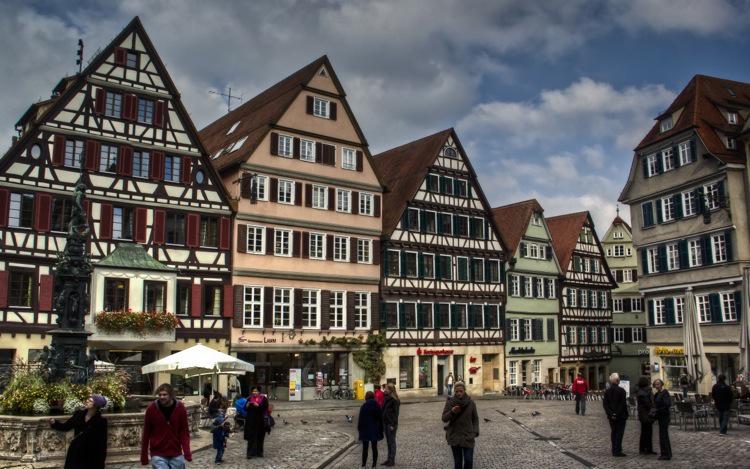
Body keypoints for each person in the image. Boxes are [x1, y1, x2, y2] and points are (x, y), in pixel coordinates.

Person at [49, 394, 108, 469]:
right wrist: (54, 423)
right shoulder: (79, 414)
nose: (87, 401)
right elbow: (66, 426)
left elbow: (102, 444)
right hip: (76, 452)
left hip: (91, 455)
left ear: (96, 405)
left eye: (90, 401)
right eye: (88, 399)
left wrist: (100, 462)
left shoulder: (101, 422)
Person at [141, 383, 192, 468]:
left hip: (175, 452)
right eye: (160, 395)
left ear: (171, 395)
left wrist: (187, 452)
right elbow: (146, 433)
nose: (161, 397)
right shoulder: (151, 409)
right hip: (158, 453)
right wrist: (144, 456)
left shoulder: (180, 408)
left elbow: (184, 432)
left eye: (165, 394)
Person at [441, 382, 479, 469]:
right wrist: (452, 411)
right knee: (458, 462)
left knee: (468, 460)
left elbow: (475, 418)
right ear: (454, 391)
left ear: (464, 391)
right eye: (457, 391)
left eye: (461, 391)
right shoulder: (450, 402)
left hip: (468, 436)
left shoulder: (471, 403)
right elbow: (444, 418)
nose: (458, 393)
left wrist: (475, 432)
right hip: (455, 436)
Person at [602, 372, 627, 457]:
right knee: (619, 433)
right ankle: (618, 450)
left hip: (611, 416)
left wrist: (611, 414)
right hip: (620, 416)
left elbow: (605, 404)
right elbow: (622, 405)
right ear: (617, 380)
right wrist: (616, 414)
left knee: (614, 432)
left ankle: (614, 450)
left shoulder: (607, 391)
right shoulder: (622, 391)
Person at [358, 390, 384, 468]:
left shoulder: (364, 406)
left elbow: (360, 419)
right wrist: (381, 429)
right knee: (374, 447)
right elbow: (380, 418)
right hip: (374, 429)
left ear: (366, 397)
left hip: (365, 429)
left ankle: (363, 465)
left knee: (365, 448)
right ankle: (374, 465)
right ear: (373, 397)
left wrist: (359, 428)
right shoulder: (377, 405)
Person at [243, 386, 269, 459]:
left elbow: (265, 408)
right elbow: (245, 408)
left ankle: (259, 452)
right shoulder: (249, 398)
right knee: (251, 437)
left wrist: (258, 406)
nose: (255, 392)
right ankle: (250, 453)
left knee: (260, 437)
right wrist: (247, 406)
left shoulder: (263, 399)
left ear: (259, 392)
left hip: (260, 421)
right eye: (253, 391)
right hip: (250, 421)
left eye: (256, 391)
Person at [635, 377, 656, 455]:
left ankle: (647, 449)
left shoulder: (642, 391)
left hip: (644, 414)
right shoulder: (643, 392)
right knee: (646, 432)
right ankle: (645, 449)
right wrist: (652, 407)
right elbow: (647, 403)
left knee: (647, 432)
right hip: (646, 414)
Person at [653, 378, 672, 460]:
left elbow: (667, 404)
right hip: (660, 416)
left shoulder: (665, 392)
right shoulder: (657, 394)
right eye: (656, 384)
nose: (657, 385)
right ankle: (666, 453)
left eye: (658, 383)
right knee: (662, 435)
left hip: (664, 416)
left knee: (663, 435)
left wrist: (659, 409)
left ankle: (666, 454)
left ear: (661, 384)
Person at [382, 383, 400, 466]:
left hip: (391, 424)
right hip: (386, 423)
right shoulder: (386, 398)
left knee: (392, 442)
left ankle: (392, 460)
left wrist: (393, 424)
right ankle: (388, 459)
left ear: (390, 390)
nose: (384, 390)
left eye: (386, 389)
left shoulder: (395, 400)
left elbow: (396, 414)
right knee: (388, 442)